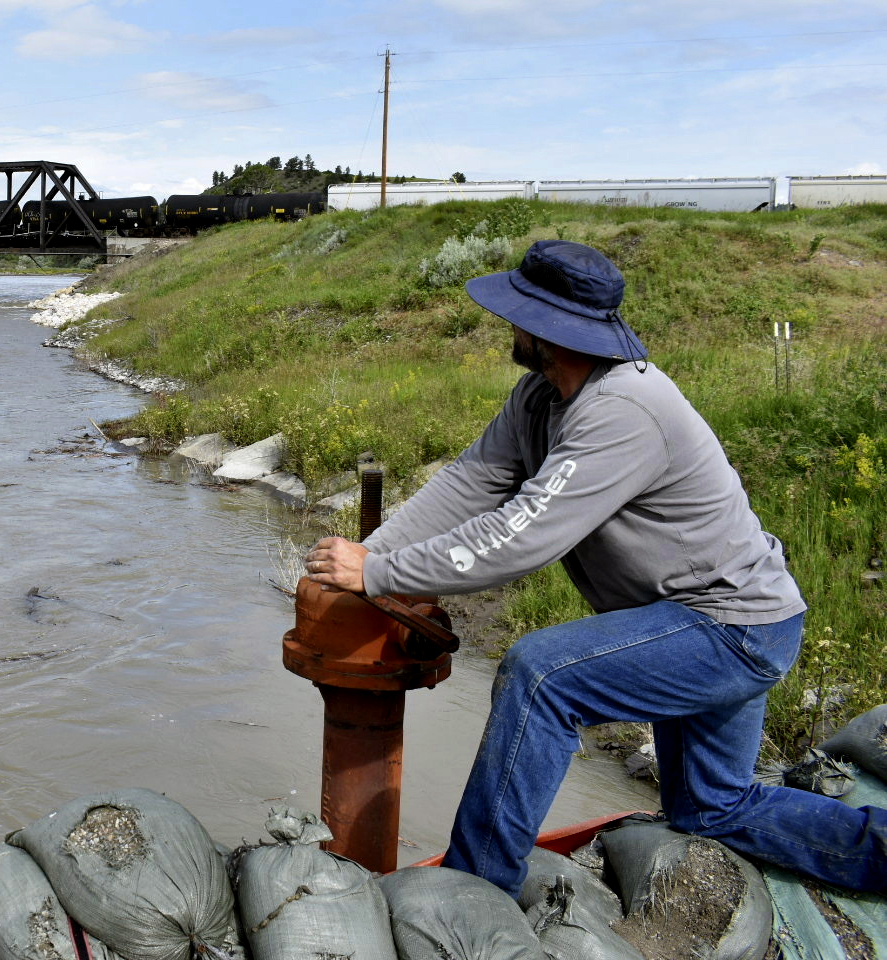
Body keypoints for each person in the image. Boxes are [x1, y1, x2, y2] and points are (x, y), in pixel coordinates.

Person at [304, 239, 885, 896]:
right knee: (711, 808)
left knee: (542, 675)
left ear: (551, 325)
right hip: (704, 617)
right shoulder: (538, 397)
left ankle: (470, 893)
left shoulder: (622, 411)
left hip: (731, 628)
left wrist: (379, 575)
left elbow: (521, 538)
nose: (508, 324)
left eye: (518, 312)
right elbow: (470, 483)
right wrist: (373, 557)